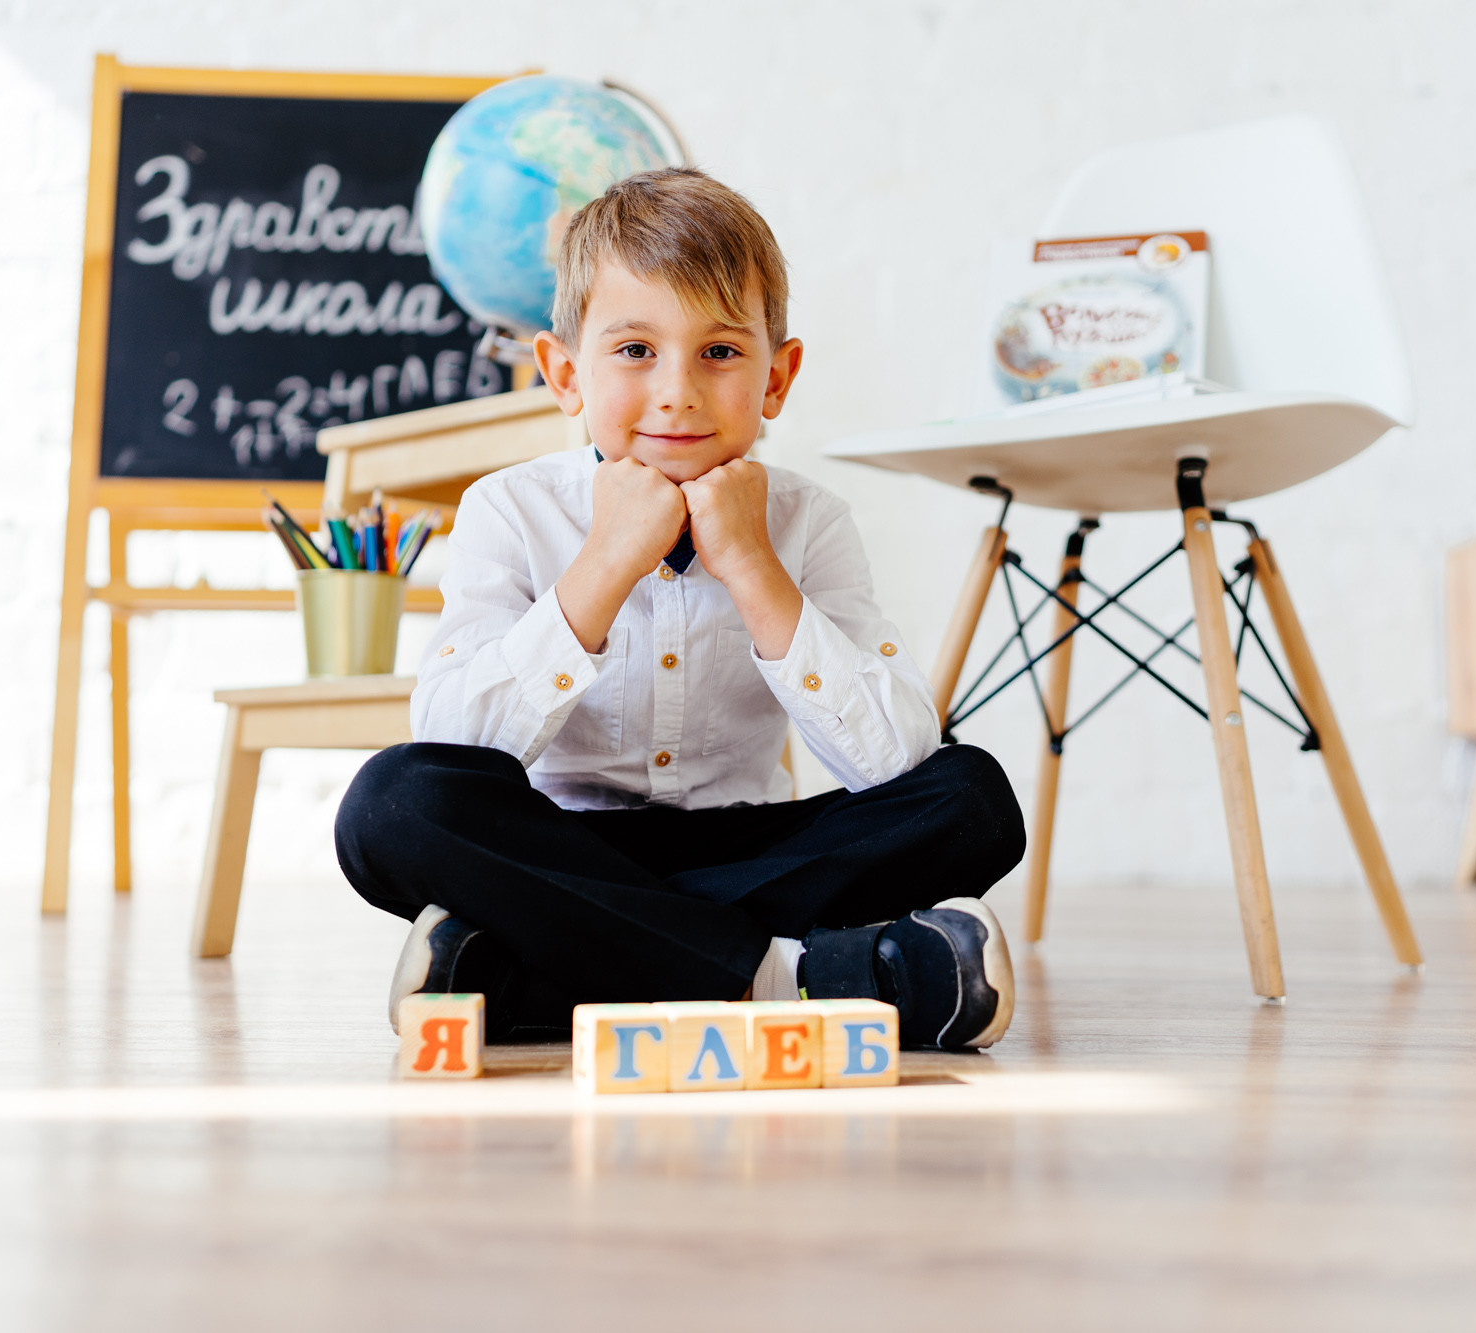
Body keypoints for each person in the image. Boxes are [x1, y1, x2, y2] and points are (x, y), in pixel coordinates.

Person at [335, 167, 1025, 1049]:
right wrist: (604, 564)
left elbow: (896, 759)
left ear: (777, 378)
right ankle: (792, 975)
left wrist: (752, 566)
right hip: (559, 846)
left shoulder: (810, 522)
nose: (678, 392)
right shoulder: (508, 509)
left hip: (750, 852)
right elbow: (454, 744)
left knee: (973, 799)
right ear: (565, 373)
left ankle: (533, 971)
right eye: (634, 350)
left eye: (721, 352)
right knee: (391, 803)